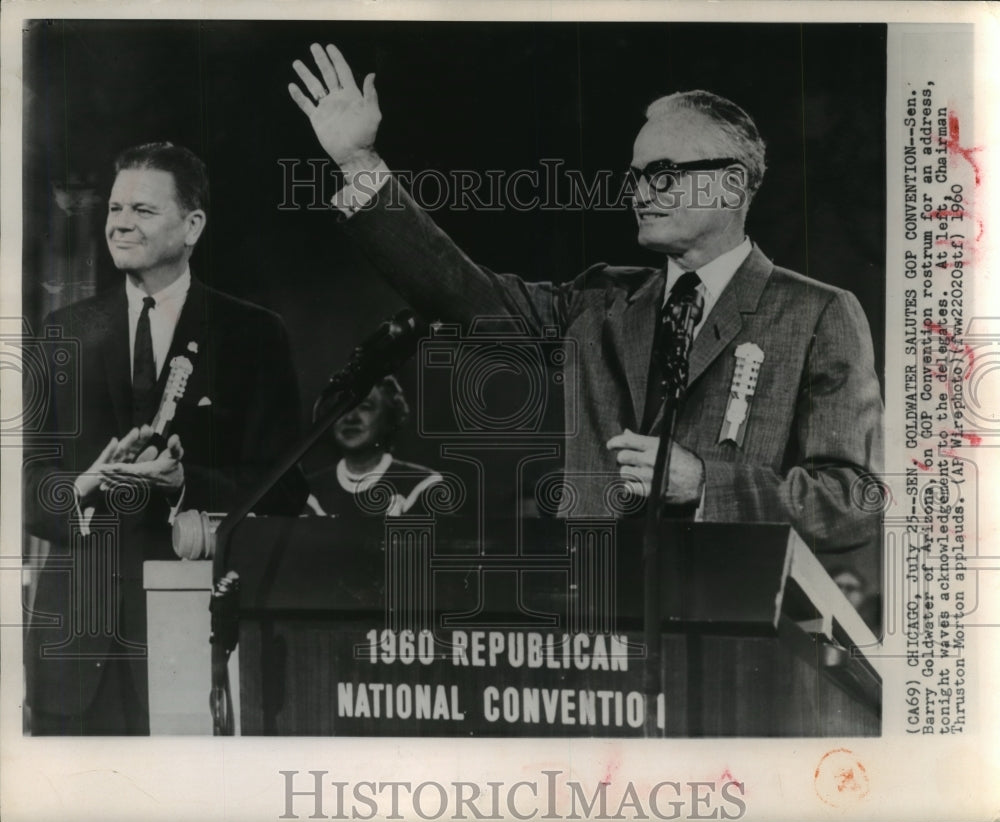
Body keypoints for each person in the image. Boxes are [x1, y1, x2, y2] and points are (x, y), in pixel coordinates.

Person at [286, 44, 883, 556]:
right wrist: (358, 163)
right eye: (635, 176)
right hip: (600, 630)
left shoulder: (817, 315)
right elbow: (461, 294)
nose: (640, 193)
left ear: (732, 184)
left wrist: (705, 483)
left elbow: (854, 502)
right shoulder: (598, 300)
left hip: (735, 648)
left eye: (664, 173)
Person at [23, 142, 307, 734]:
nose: (121, 222)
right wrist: (81, 484)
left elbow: (283, 491)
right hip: (74, 654)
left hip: (194, 644)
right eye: (115, 208)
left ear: (193, 224)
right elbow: (23, 487)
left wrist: (186, 485)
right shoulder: (61, 333)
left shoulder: (252, 335)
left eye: (144, 210)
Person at [306, 375, 444, 517]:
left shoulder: (423, 485)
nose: (350, 417)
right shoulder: (308, 493)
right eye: (342, 407)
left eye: (365, 407)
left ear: (389, 417)